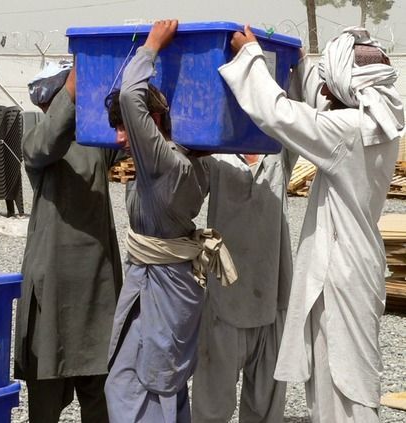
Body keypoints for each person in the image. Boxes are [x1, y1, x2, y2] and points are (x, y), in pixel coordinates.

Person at [220, 25, 404, 422]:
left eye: (329, 81)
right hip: (355, 265)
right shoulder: (378, 124)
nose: (324, 90)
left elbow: (280, 115)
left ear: (343, 83)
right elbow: (321, 110)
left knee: (343, 386)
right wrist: (303, 65)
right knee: (338, 378)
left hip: (339, 271)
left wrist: (251, 56)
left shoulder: (349, 131)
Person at [103, 19, 237, 422]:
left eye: (126, 128)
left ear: (154, 124)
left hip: (162, 286)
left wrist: (152, 46)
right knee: (164, 378)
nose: (120, 139)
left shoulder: (163, 162)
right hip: (168, 282)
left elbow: (130, 94)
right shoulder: (195, 163)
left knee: (139, 383)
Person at [14, 60, 124, 423]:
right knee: (45, 391)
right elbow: (46, 143)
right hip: (53, 286)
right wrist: (75, 88)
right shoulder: (36, 143)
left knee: (101, 392)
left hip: (97, 286)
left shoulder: (96, 140)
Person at [192, 146, 297, 422]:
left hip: (273, 294)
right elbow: (187, 194)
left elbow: (299, 110)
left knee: (266, 409)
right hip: (226, 299)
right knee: (212, 408)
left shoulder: (278, 149)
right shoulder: (217, 154)